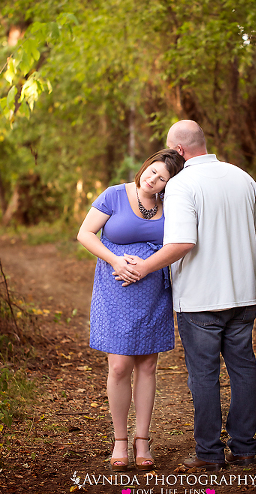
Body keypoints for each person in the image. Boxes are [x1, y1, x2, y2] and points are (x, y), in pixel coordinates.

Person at [118, 120, 256, 470]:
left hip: (201, 298)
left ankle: (210, 454)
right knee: (243, 370)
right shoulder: (242, 177)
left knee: (204, 374)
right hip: (244, 294)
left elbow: (183, 243)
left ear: (180, 151)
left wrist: (144, 267)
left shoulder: (183, 183)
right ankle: (245, 448)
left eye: (171, 151)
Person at [77, 148, 184, 471]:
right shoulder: (114, 195)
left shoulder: (171, 207)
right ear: (145, 166)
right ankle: (119, 439)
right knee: (120, 365)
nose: (152, 180)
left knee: (148, 365)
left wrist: (149, 266)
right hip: (115, 288)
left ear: (168, 185)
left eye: (161, 178)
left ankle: (142, 439)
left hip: (152, 291)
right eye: (152, 171)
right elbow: (85, 234)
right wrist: (116, 261)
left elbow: (176, 245)